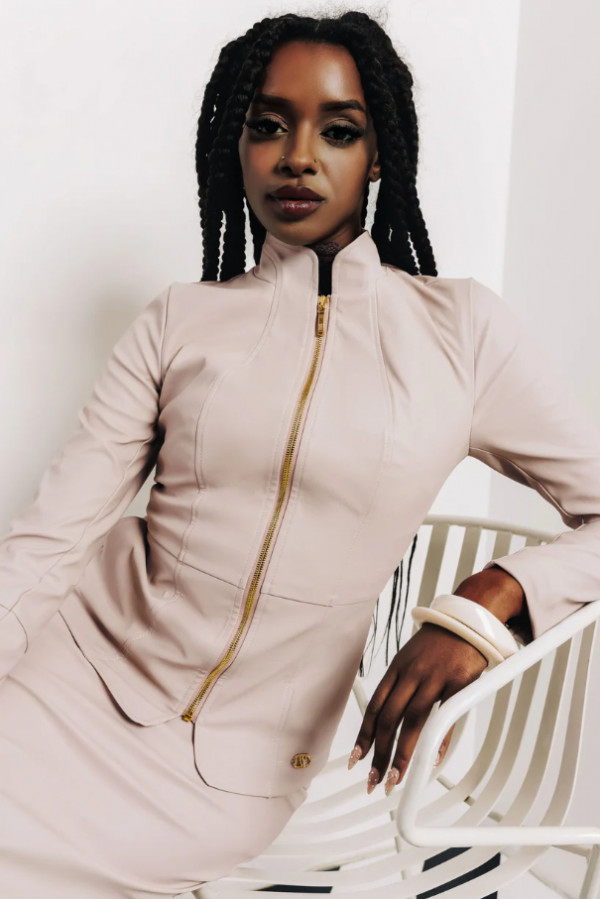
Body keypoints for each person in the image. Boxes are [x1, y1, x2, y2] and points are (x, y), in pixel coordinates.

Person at [1, 9, 600, 898]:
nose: (298, 157)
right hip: (65, 682)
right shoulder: (180, 320)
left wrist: (491, 602)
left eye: (339, 130)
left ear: (380, 152)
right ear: (236, 148)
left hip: (229, 773)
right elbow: (53, 538)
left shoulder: (462, 334)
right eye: (269, 125)